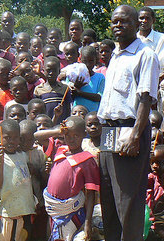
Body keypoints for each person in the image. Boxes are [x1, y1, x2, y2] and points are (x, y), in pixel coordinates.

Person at [98, 5, 160, 241]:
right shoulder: (115, 55)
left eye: (124, 21)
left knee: (128, 201)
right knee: (109, 199)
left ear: (137, 24)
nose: (118, 25)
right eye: (114, 21)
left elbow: (145, 98)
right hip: (109, 131)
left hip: (130, 129)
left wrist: (135, 135)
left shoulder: (145, 55)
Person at [43, 116, 100, 240]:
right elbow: (37, 136)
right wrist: (58, 131)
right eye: (68, 135)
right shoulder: (60, 150)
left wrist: (87, 223)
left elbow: (91, 194)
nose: (71, 139)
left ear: (84, 135)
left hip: (71, 212)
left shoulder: (87, 160)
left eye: (76, 136)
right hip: (53, 210)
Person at [0, 119, 36, 240]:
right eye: (7, 137)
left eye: (15, 138)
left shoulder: (22, 155)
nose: (11, 141)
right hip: (8, 212)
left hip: (24, 209)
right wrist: (1, 163)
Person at [34, 56, 72, 124]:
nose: (51, 73)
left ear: (59, 71)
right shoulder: (38, 89)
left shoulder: (65, 88)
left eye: (54, 70)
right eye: (48, 70)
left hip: (61, 124)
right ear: (44, 70)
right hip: (44, 125)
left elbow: (68, 108)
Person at [72, 46, 105, 112]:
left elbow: (99, 97)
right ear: (80, 60)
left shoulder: (100, 77)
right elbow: (69, 95)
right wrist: (76, 86)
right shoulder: (74, 76)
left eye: (91, 61)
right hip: (77, 115)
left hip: (93, 115)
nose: (87, 64)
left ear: (96, 60)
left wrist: (79, 93)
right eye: (84, 61)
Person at [137, 6, 164, 71]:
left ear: (153, 20)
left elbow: (161, 61)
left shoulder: (161, 39)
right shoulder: (132, 39)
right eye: (141, 18)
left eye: (147, 18)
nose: (144, 21)